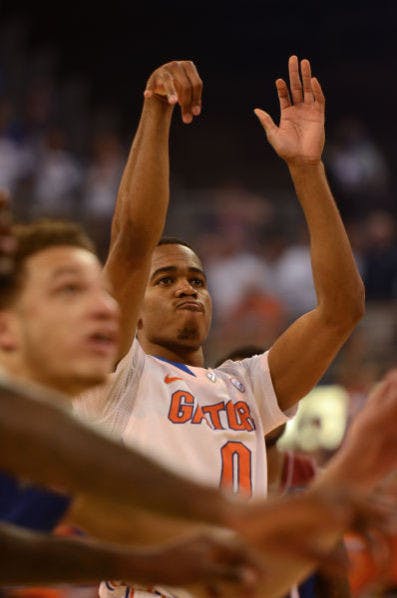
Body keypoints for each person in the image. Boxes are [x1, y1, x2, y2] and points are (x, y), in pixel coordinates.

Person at [74, 55, 371, 598]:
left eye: (197, 278)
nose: (188, 287)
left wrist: (307, 170)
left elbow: (342, 309)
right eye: (165, 280)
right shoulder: (115, 376)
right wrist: (155, 109)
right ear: (130, 311)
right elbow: (134, 237)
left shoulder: (246, 386)